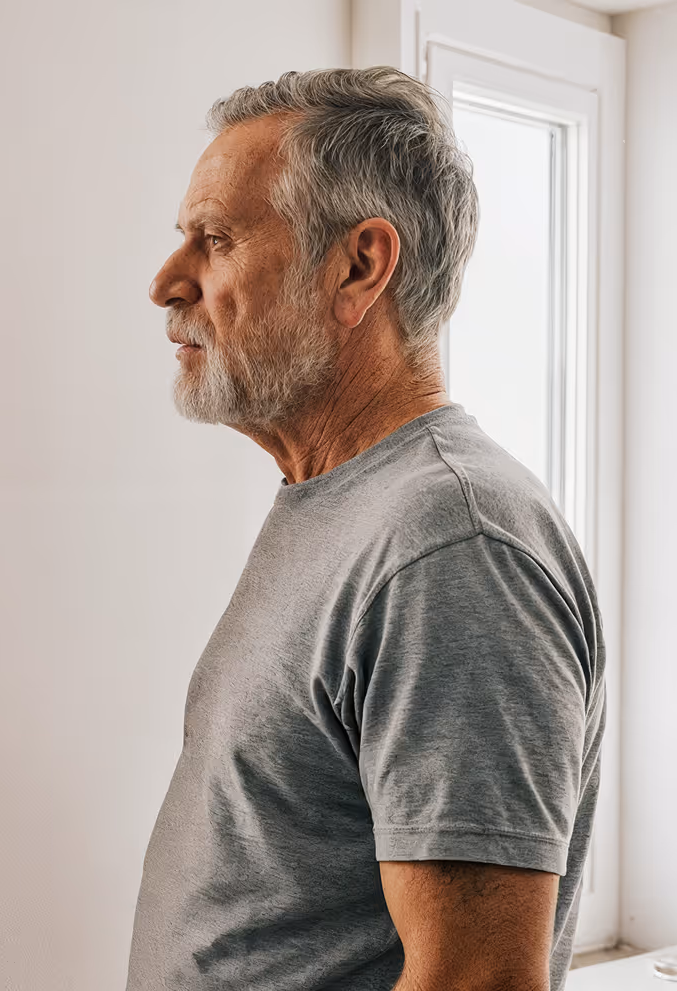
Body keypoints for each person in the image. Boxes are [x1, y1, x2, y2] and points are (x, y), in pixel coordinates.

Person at [127, 67, 603, 991]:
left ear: (359, 265)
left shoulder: (452, 545)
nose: (167, 282)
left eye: (215, 240)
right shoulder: (341, 499)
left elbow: (479, 980)